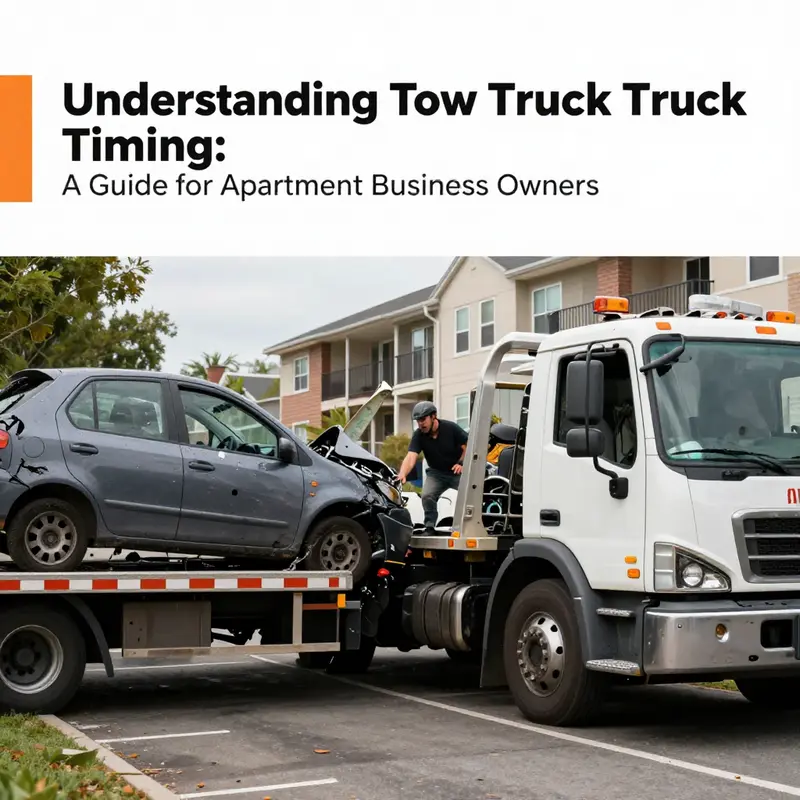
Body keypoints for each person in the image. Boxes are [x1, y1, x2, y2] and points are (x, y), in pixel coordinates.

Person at [396, 400, 468, 534]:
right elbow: (411, 456)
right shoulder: (419, 435)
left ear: (433, 416)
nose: (420, 424)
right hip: (436, 473)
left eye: (423, 419)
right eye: (418, 421)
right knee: (427, 495)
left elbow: (468, 446)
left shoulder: (450, 428)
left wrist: (461, 463)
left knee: (469, 494)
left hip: (457, 471)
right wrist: (402, 474)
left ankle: (467, 525)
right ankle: (429, 526)